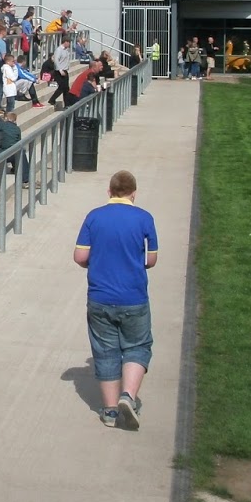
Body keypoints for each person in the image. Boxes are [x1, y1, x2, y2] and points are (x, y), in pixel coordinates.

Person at [73, 170, 159, 429]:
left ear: (109, 192)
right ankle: (128, 396)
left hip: (100, 297)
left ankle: (109, 411)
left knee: (105, 351)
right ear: (134, 194)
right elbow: (151, 259)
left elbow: (79, 256)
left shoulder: (94, 217)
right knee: (137, 346)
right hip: (133, 297)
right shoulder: (144, 218)